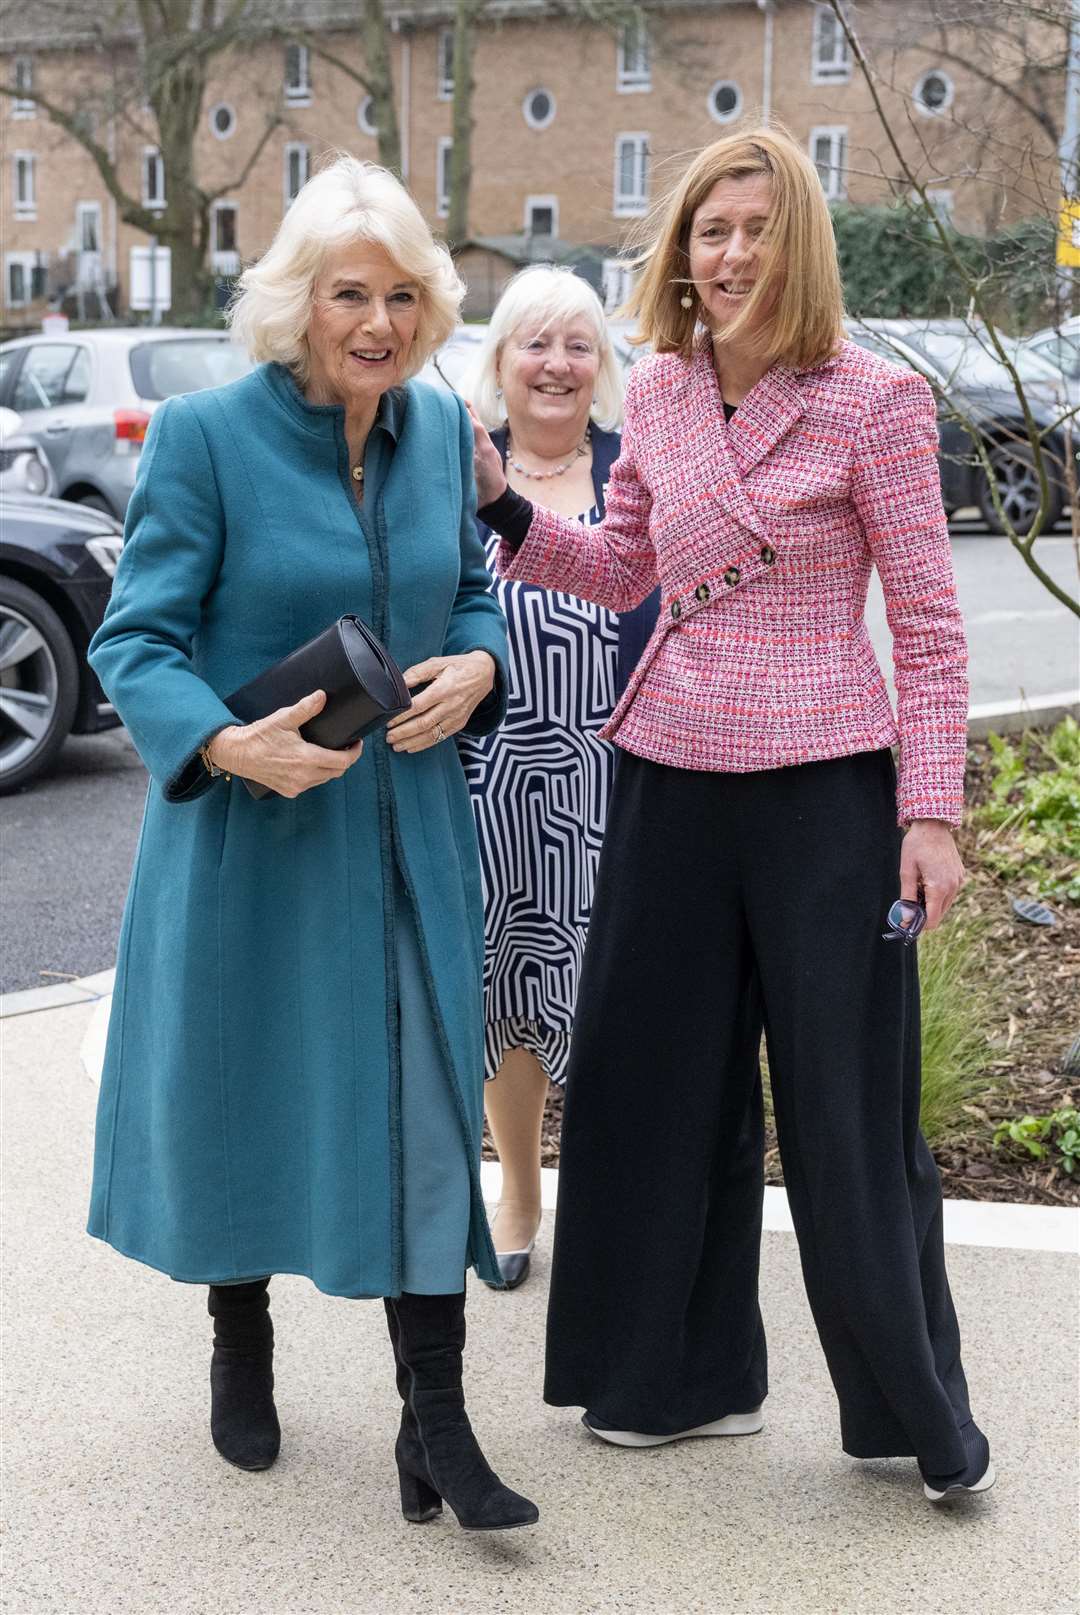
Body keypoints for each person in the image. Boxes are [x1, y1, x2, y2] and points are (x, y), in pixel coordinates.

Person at [470, 128, 993, 1504]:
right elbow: (624, 562)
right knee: (653, 1088)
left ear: (798, 241)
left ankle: (905, 1412)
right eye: (711, 229)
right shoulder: (659, 394)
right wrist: (506, 510)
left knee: (848, 1106)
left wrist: (928, 815)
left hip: (828, 781)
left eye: (758, 227)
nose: (733, 252)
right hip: (670, 771)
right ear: (682, 252)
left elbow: (931, 627)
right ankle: (674, 1380)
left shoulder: (875, 400)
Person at [86, 156, 538, 1533]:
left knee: (420, 1109)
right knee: (249, 1089)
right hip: (257, 839)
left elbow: (469, 589)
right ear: (299, 301)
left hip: (408, 836)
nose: (381, 321)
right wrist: (225, 742)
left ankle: (439, 1423)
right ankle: (241, 1329)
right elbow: (135, 638)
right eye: (354, 292)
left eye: (406, 295)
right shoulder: (208, 436)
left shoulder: (436, 427)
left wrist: (480, 660)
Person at [459, 265, 657, 1290]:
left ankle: (607, 1195)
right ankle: (520, 1182)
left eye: (578, 344)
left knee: (612, 989)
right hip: (487, 778)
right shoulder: (455, 478)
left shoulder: (635, 470)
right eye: (535, 342)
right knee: (504, 982)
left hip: (611, 782)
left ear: (602, 366)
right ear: (500, 360)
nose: (557, 363)